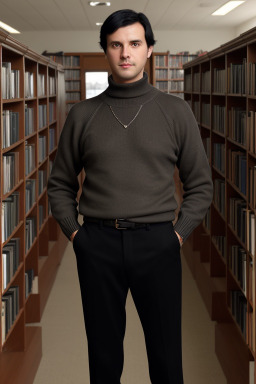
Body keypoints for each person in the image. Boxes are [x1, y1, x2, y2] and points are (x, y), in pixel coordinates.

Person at [47, 9, 213, 384]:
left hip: (158, 242)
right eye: (116, 44)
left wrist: (177, 235)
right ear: (106, 50)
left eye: (135, 44)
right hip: (97, 244)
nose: (126, 53)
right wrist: (77, 235)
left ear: (149, 50)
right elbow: (59, 184)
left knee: (167, 359)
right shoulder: (82, 115)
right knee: (104, 361)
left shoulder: (176, 111)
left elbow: (201, 185)